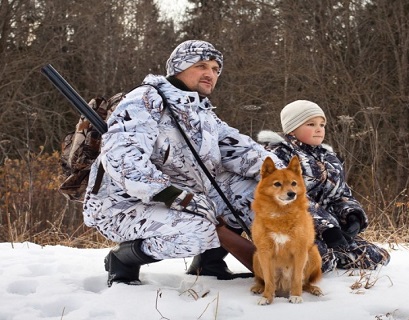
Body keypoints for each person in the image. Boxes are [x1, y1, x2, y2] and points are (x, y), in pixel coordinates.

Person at [82, 40, 281, 287]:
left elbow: (240, 149)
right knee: (199, 231)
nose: (210, 74)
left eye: (216, 69)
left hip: (183, 200)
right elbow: (122, 157)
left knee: (260, 195)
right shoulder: (145, 99)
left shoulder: (202, 112)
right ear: (178, 67)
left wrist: (284, 176)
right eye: (201, 66)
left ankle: (209, 265)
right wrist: (176, 196)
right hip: (122, 207)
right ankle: (122, 260)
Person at [257, 100, 391, 272]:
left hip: (331, 230)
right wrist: (327, 228)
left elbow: (341, 194)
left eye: (322, 124)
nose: (319, 129)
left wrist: (352, 215)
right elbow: (291, 199)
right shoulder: (279, 155)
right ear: (292, 128)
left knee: (377, 257)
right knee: (320, 259)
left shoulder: (329, 158)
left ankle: (333, 255)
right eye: (311, 124)